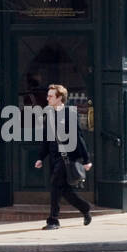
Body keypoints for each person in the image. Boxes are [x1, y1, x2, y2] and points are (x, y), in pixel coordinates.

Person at [34, 84, 92, 229]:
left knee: (55, 186)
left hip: (67, 157)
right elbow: (47, 138)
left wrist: (86, 159)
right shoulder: (50, 114)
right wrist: (41, 157)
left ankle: (53, 220)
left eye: (50, 96)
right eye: (48, 95)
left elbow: (78, 137)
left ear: (59, 98)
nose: (47, 98)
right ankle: (85, 208)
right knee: (65, 190)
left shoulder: (70, 113)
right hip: (54, 158)